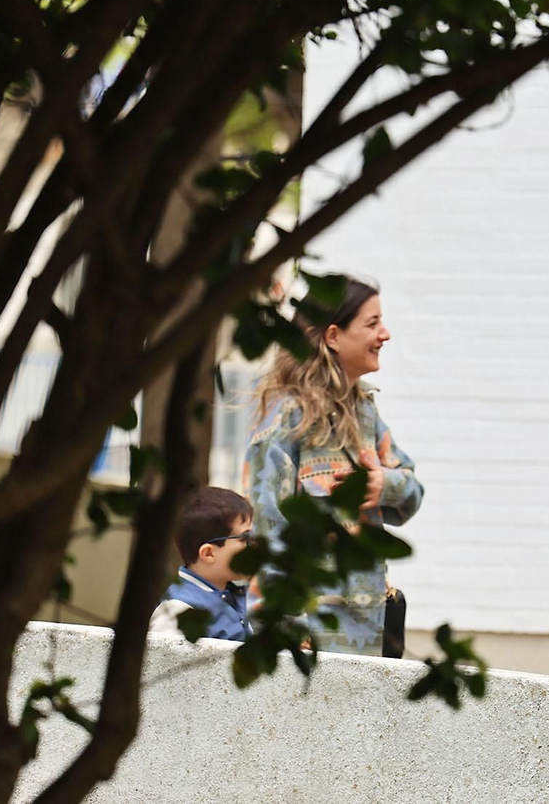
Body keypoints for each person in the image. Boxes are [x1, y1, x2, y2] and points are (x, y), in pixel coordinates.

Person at [243, 277, 423, 657]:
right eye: (372, 323)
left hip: (370, 630)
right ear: (333, 336)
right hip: (311, 638)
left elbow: (412, 490)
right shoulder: (286, 421)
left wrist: (381, 485)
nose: (385, 334)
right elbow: (265, 533)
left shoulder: (366, 414)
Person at [149, 486, 255, 642]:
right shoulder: (179, 609)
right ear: (208, 553)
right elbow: (165, 664)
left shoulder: (236, 594)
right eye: (245, 539)